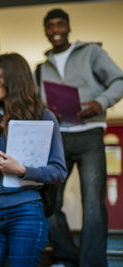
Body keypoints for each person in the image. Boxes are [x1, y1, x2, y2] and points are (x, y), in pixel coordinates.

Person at [35, 8, 123, 267]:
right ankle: (67, 256)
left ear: (69, 27)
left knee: (93, 203)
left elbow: (119, 80)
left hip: (89, 135)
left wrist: (100, 102)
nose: (55, 30)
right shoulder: (40, 68)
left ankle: (93, 263)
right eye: (50, 26)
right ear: (46, 31)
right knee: (49, 202)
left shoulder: (92, 53)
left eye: (60, 24)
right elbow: (35, 102)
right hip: (57, 138)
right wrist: (46, 110)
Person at [0, 53, 67, 267]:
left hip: (26, 212)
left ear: (14, 79)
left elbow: (59, 170)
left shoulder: (43, 116)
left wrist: (23, 170)